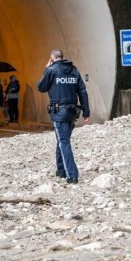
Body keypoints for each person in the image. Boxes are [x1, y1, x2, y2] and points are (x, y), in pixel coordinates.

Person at [37, 49, 90, 184]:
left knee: (63, 142)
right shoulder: (74, 70)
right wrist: (86, 112)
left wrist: (46, 70)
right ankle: (61, 170)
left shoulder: (51, 70)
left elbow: (41, 87)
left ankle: (72, 175)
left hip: (59, 112)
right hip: (72, 112)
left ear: (53, 59)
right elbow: (82, 91)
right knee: (62, 140)